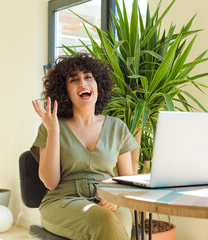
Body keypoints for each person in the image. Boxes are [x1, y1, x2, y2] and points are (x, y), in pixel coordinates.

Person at [30, 53, 137, 240]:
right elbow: (50, 182)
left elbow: (128, 181)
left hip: (108, 200)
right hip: (63, 202)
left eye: (88, 77)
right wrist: (54, 132)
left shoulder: (117, 127)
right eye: (74, 79)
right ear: (65, 91)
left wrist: (116, 197)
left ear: (98, 86)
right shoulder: (52, 126)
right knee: (105, 220)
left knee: (114, 219)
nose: (83, 83)